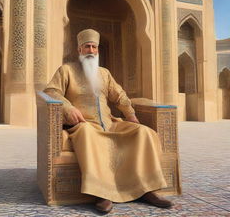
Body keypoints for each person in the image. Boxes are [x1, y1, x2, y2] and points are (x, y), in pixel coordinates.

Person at [44, 29, 173, 213]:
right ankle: (101, 194)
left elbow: (119, 96)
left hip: (110, 123)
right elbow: (51, 91)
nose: (91, 50)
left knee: (143, 132)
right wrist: (68, 108)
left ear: (98, 50)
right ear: (80, 50)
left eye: (94, 47)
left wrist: (131, 116)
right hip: (85, 125)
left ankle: (146, 188)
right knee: (88, 134)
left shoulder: (104, 73)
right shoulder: (67, 70)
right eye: (87, 47)